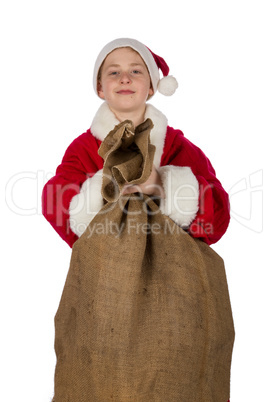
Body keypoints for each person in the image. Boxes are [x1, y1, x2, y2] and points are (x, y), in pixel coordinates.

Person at [42, 37, 230, 248]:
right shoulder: (82, 149)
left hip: (170, 272)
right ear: (100, 88)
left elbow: (219, 216)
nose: (124, 78)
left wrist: (162, 184)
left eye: (136, 71)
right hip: (106, 269)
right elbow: (55, 202)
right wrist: (104, 188)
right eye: (114, 72)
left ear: (151, 86)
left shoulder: (178, 146)